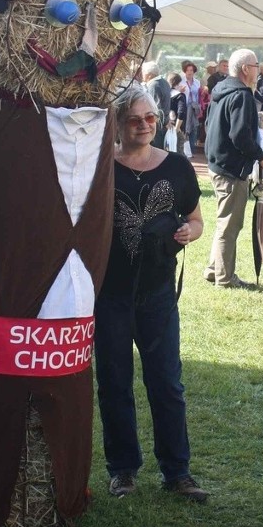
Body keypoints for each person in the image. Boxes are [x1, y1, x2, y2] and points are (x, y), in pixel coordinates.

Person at [94, 85, 207, 502]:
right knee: (114, 382)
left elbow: (196, 220)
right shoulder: (101, 166)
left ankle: (177, 471)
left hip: (158, 292)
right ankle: (122, 470)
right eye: (135, 120)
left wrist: (187, 232)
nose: (144, 126)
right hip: (110, 292)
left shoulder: (177, 167)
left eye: (151, 119)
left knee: (166, 382)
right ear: (118, 124)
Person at [203, 49, 263, 289]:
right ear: (245, 69)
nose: (258, 70)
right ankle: (225, 277)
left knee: (225, 221)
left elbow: (210, 124)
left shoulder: (220, 91)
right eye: (256, 65)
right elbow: (240, 136)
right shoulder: (242, 95)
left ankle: (214, 269)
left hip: (218, 163)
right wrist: (261, 157)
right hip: (231, 168)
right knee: (230, 225)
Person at [141, 59, 172, 149]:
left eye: (143, 72)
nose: (142, 74)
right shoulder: (164, 82)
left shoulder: (154, 85)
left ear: (149, 75)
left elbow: (153, 108)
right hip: (163, 124)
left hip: (157, 127)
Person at [181, 60, 201, 152]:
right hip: (184, 107)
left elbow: (198, 95)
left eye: (191, 70)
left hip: (194, 107)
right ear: (185, 71)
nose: (189, 72)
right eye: (188, 70)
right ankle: (184, 149)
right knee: (185, 127)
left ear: (194, 71)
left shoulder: (197, 82)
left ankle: (192, 149)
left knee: (194, 127)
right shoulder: (181, 81)